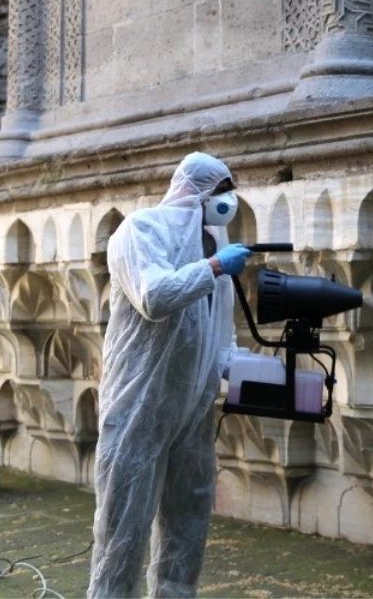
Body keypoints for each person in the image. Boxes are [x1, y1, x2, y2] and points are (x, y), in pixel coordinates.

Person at [88, 152, 252, 598]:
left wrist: (245, 370)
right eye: (221, 191)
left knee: (188, 521)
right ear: (195, 191)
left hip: (191, 410)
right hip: (138, 407)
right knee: (123, 529)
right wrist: (216, 268)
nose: (228, 201)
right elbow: (154, 296)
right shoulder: (140, 231)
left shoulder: (213, 247)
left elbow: (222, 332)